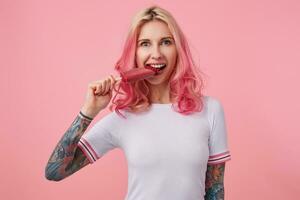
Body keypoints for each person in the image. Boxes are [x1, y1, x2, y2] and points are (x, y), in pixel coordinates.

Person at [45, 5, 231, 200]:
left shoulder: (210, 110)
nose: (156, 53)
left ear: (178, 49)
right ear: (134, 54)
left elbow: (215, 189)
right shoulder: (123, 118)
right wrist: (88, 111)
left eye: (166, 42)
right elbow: (55, 172)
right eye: (145, 44)